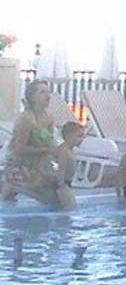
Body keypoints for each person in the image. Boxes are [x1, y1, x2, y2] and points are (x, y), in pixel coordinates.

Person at [0, 80, 78, 210]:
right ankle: (13, 185)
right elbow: (18, 150)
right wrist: (45, 150)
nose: (48, 95)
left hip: (40, 163)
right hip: (20, 164)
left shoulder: (48, 116)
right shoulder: (26, 118)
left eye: (48, 92)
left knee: (60, 197)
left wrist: (60, 152)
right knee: (51, 199)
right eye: (42, 92)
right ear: (32, 98)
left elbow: (50, 142)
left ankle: (60, 184)